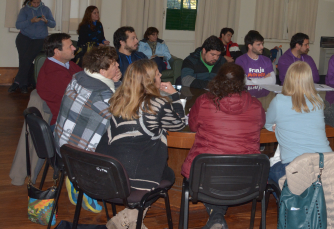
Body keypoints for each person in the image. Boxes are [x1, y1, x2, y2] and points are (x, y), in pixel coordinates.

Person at [96, 59, 185, 228]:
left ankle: (127, 218)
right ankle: (130, 219)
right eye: (158, 74)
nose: (161, 76)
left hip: (110, 173)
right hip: (134, 176)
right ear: (151, 80)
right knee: (167, 173)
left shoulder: (118, 98)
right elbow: (179, 124)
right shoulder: (157, 104)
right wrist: (174, 96)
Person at [182, 63, 265, 229]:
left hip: (205, 176)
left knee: (213, 176)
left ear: (217, 79)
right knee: (223, 176)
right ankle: (217, 217)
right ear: (242, 82)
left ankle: (217, 217)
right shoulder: (256, 105)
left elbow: (192, 126)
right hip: (246, 178)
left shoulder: (203, 101)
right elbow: (261, 123)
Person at [55, 46, 121, 214]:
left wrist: (115, 82)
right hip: (79, 155)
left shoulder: (79, 77)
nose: (118, 67)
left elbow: (109, 94)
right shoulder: (100, 95)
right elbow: (121, 115)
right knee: (125, 141)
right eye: (114, 65)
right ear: (102, 71)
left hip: (62, 143)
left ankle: (76, 178)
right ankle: (84, 182)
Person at [265, 61, 332, 183]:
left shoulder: (278, 101)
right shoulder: (318, 100)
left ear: (288, 79)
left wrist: (276, 126)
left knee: (268, 171)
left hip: (295, 166)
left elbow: (267, 124)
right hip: (325, 163)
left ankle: (286, 200)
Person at [11, 0, 57, 93]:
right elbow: (18, 25)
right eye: (34, 2)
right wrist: (31, 21)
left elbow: (53, 24)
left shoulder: (45, 10)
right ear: (30, 1)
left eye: (38, 2)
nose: (36, 5)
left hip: (39, 39)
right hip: (24, 38)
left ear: (41, 1)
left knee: (26, 60)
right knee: (23, 61)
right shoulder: (24, 10)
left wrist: (46, 21)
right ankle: (23, 84)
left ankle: (17, 82)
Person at [36, 33, 82, 127]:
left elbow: (88, 78)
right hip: (64, 123)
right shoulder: (52, 72)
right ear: (57, 52)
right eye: (70, 46)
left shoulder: (68, 64)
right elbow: (79, 94)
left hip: (75, 116)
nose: (74, 48)